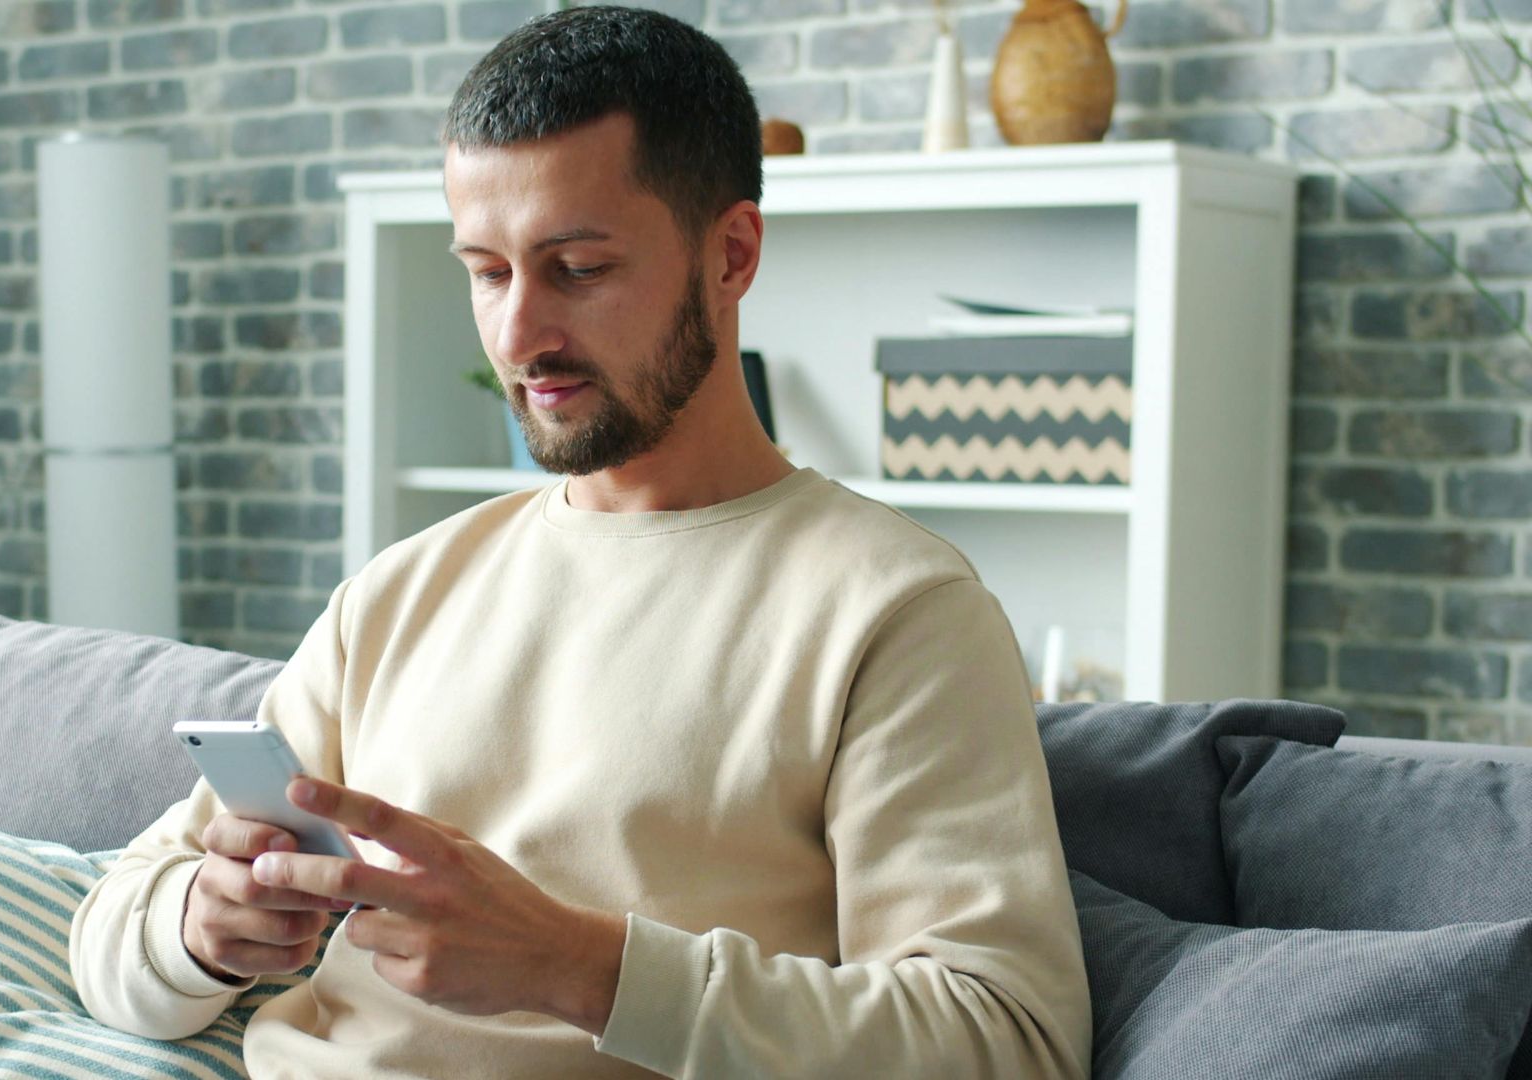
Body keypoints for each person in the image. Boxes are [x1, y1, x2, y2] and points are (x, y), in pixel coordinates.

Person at [69, 6, 1093, 1077]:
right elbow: (109, 934)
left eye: (578, 268)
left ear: (731, 253)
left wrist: (574, 966)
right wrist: (198, 927)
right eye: (487, 270)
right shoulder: (400, 594)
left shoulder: (895, 611)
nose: (518, 336)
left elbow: (1004, 1042)